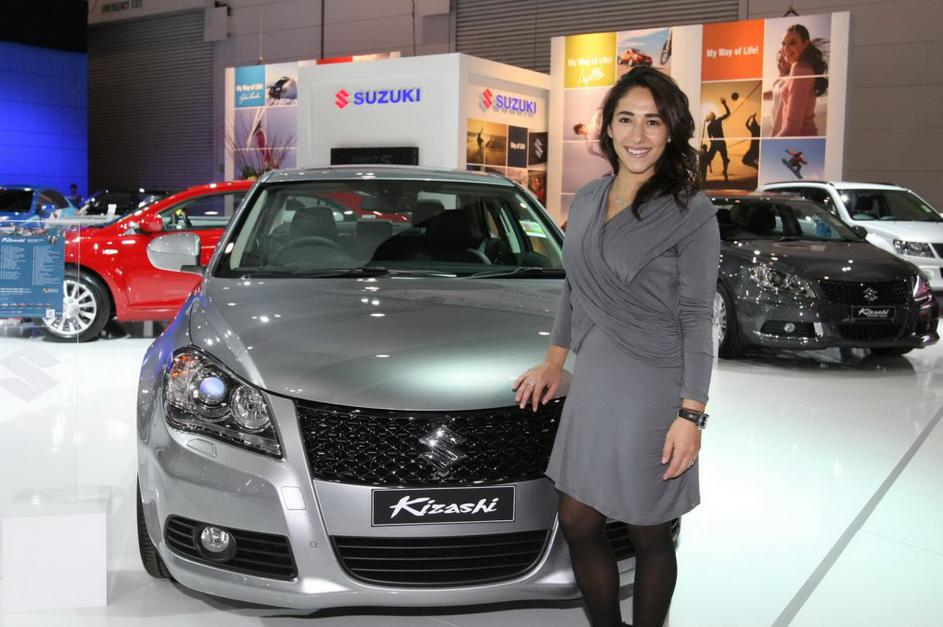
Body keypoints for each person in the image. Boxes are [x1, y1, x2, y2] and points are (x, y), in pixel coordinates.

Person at [514, 66, 720, 627]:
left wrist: (691, 415)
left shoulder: (690, 210)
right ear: (607, 128)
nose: (638, 134)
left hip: (653, 384)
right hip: (597, 381)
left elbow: (698, 317)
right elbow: (575, 287)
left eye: (653, 121)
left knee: (647, 528)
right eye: (626, 119)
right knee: (579, 520)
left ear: (671, 130)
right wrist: (554, 362)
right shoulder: (586, 199)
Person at [771, 24, 828, 137]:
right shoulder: (801, 67)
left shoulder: (800, 69)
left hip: (801, 140)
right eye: (784, 43)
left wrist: (768, 145)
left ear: (805, 44)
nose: (786, 48)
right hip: (801, 140)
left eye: (792, 43)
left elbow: (792, 129)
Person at [702, 98, 730, 182]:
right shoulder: (716, 122)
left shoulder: (711, 125)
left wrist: (725, 104)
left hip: (717, 143)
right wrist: (724, 104)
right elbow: (728, 113)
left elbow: (710, 138)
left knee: (711, 159)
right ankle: (724, 171)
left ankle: (724, 171)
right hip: (719, 142)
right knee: (724, 158)